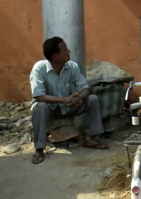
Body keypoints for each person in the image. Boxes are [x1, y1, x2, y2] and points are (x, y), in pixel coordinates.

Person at [30, 37, 108, 165]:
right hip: (50, 109)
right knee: (40, 106)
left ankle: (89, 138)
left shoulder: (72, 66)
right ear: (55, 56)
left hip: (68, 107)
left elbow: (85, 88)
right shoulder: (39, 68)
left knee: (92, 99)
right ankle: (39, 149)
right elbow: (39, 96)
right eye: (65, 50)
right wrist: (64, 99)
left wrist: (78, 98)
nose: (69, 51)